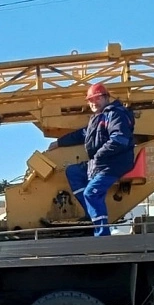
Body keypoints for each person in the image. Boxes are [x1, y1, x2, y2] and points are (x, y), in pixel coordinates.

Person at [48, 83, 135, 236]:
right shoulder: (97, 118)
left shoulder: (116, 114)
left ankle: (102, 235)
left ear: (106, 97)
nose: (93, 103)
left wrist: (98, 156)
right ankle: (91, 213)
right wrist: (59, 142)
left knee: (91, 194)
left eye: (97, 98)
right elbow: (83, 134)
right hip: (101, 163)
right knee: (73, 172)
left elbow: (119, 140)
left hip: (113, 164)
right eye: (90, 100)